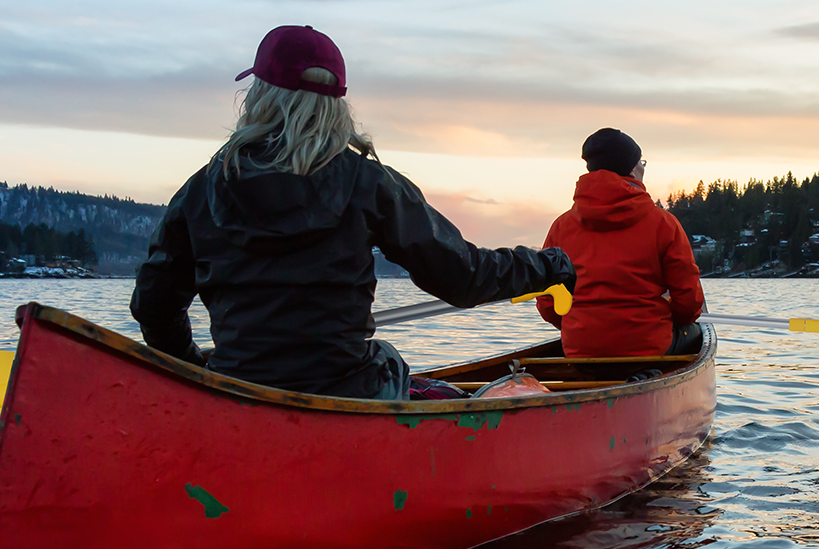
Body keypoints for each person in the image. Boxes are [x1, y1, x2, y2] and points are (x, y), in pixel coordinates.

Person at [130, 25, 575, 400]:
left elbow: (154, 306)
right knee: (396, 367)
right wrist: (551, 265)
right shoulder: (369, 183)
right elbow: (465, 277)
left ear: (260, 96)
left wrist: (198, 378)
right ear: (336, 104)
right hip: (349, 389)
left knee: (388, 364)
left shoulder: (201, 190)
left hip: (239, 389)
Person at [536, 128, 706, 376]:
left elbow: (546, 303)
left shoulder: (561, 227)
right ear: (631, 168)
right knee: (698, 333)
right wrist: (670, 317)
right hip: (647, 349)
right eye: (641, 162)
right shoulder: (663, 223)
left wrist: (579, 326)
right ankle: (649, 380)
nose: (643, 168)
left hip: (581, 351)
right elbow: (689, 303)